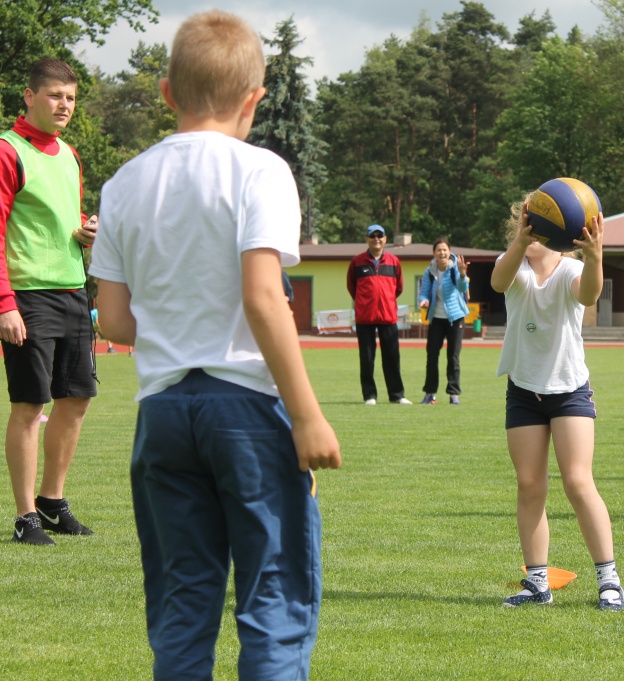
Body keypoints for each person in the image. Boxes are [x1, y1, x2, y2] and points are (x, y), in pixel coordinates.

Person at [89, 11, 341, 679]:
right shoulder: (261, 172)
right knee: (274, 597)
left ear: (168, 92)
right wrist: (309, 414)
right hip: (248, 408)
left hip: (164, 413)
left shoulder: (124, 184)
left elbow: (112, 320)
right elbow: (263, 298)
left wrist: (178, 328)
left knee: (183, 604)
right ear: (255, 99)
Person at [492, 194, 624, 611]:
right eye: (525, 222)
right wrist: (518, 242)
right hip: (524, 391)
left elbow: (588, 295)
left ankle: (609, 579)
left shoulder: (571, 266)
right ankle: (537, 583)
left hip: (569, 391)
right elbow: (498, 281)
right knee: (530, 485)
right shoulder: (512, 262)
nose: (532, 230)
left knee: (578, 481)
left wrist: (596, 255)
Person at [0, 57, 97, 545]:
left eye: (71, 98)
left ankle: (53, 502)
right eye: (56, 96)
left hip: (73, 291)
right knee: (29, 403)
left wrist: (85, 232)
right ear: (30, 96)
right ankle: (24, 517)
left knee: (75, 399)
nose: (64, 105)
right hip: (29, 296)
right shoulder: (6, 150)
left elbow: (67, 217)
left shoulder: (70, 155)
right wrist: (4, 303)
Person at [348, 224, 411, 405]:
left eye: (379, 235)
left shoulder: (393, 262)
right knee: (367, 358)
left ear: (385, 239)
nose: (376, 239)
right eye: (372, 235)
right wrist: (364, 303)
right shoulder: (357, 262)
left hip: (388, 316)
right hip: (365, 317)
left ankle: (397, 395)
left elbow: (398, 288)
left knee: (392, 357)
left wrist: (386, 301)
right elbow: (352, 287)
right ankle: (370, 395)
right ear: (367, 239)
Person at [418, 237, 470, 405]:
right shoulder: (430, 271)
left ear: (449, 252)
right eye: (439, 250)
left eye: (444, 250)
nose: (442, 253)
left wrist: (463, 275)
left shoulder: (455, 269)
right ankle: (430, 393)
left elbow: (463, 289)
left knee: (453, 357)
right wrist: (424, 300)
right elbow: (424, 291)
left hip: (455, 318)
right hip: (436, 318)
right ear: (434, 253)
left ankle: (454, 394)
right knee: (431, 356)